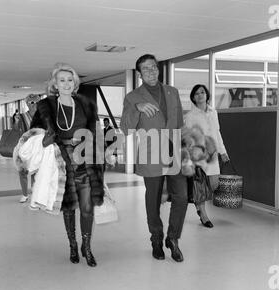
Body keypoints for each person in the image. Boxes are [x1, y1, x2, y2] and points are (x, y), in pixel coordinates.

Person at [31, 63, 104, 267]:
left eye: (70, 79)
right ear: (55, 83)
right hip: (61, 164)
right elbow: (34, 135)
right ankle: (73, 244)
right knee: (69, 207)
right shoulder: (46, 106)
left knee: (87, 208)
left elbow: (96, 131)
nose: (66, 83)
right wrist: (46, 139)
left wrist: (101, 155)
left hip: (85, 162)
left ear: (75, 83)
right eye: (61, 80)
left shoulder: (87, 105)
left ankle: (86, 247)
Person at [120, 54, 187, 262]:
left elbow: (179, 124)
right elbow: (126, 129)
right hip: (151, 153)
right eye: (146, 69)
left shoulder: (172, 92)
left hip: (173, 152)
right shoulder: (133, 97)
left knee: (182, 197)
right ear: (139, 74)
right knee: (153, 199)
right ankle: (156, 238)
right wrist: (136, 108)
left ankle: (173, 238)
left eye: (154, 67)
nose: (151, 71)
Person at [184, 84, 229, 228]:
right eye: (196, 93)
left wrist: (223, 151)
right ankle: (203, 213)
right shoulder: (190, 116)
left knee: (213, 184)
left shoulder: (213, 112)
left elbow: (217, 132)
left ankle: (199, 207)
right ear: (193, 97)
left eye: (202, 92)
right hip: (199, 154)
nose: (200, 95)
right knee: (200, 186)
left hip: (213, 153)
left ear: (207, 95)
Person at [18, 94, 41, 203]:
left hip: (38, 148)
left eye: (37, 102)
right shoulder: (22, 117)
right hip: (24, 148)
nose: (34, 104)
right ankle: (24, 194)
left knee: (35, 172)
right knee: (22, 171)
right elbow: (17, 131)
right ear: (27, 103)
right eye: (32, 102)